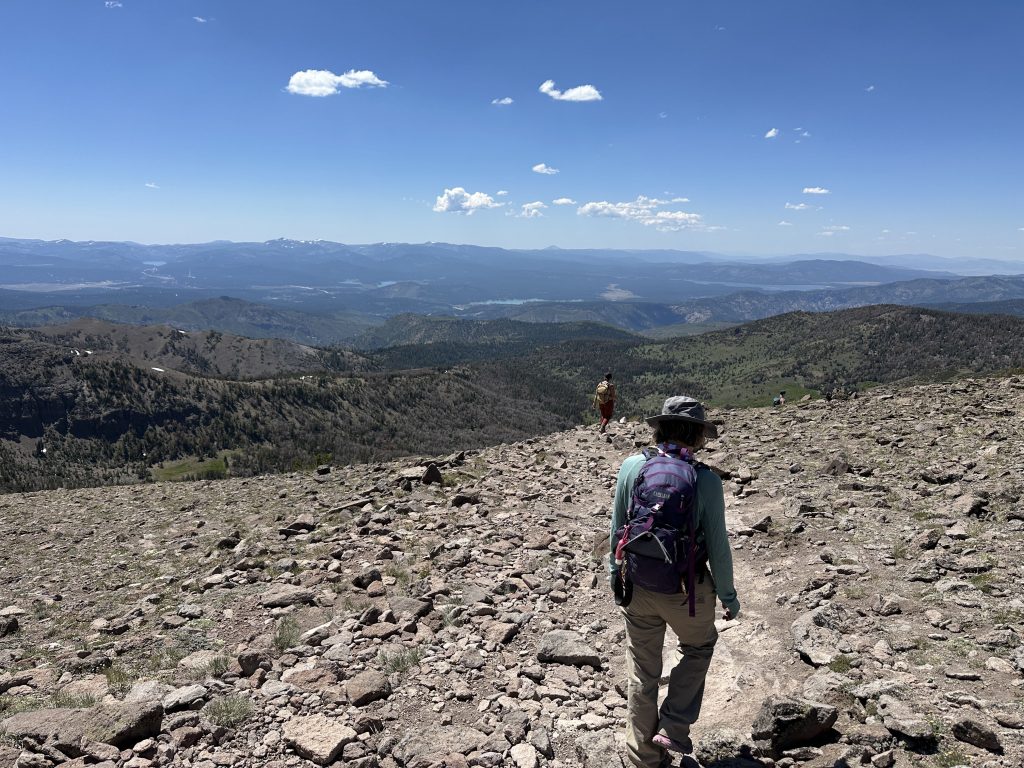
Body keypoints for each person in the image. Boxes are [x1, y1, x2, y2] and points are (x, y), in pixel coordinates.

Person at [609, 396, 740, 767]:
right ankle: (674, 725)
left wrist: (613, 577)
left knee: (642, 671)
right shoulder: (706, 480)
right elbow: (718, 547)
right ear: (699, 437)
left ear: (659, 428)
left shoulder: (632, 467)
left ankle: (644, 758)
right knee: (698, 648)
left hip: (638, 585)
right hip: (688, 592)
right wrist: (728, 597)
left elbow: (617, 529)